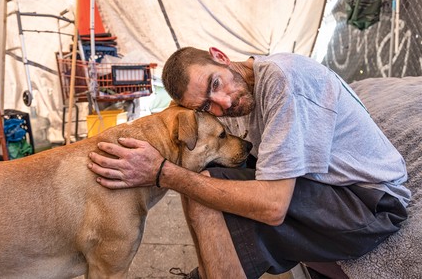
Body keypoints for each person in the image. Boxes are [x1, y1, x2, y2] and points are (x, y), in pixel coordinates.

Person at [87, 47, 409, 278]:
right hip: (327, 187)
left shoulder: (283, 82)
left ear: (222, 57)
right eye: (207, 105)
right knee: (207, 178)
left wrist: (162, 173)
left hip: (369, 202)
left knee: (202, 191)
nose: (223, 102)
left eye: (216, 84)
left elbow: (273, 207)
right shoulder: (237, 103)